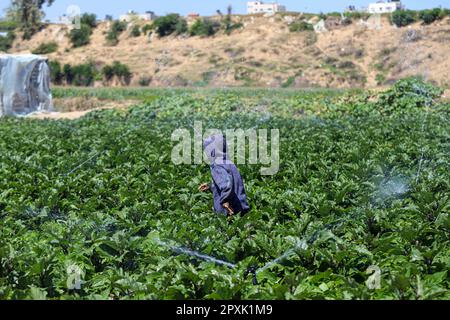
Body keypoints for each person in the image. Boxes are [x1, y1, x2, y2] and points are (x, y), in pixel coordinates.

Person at [199, 134, 250, 217]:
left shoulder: (217, 166)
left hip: (229, 210)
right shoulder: (228, 163)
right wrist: (211, 186)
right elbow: (230, 181)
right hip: (241, 206)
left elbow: (226, 184)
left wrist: (225, 200)